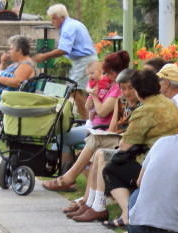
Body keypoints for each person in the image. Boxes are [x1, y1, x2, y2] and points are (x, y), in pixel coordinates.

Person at [72, 69, 178, 225]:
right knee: (103, 155)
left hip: (153, 165)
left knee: (109, 166)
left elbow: (125, 145)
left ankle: (125, 213)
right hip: (172, 161)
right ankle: (93, 204)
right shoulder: (170, 104)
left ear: (137, 90)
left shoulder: (145, 110)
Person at [44, 52, 132, 193]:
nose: (105, 75)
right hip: (94, 126)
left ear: (116, 73)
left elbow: (102, 112)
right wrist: (89, 102)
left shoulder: (118, 88)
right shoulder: (109, 83)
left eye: (108, 73)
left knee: (77, 140)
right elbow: (91, 105)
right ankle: (67, 178)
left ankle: (67, 180)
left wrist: (94, 97)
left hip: (102, 129)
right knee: (62, 135)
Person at [32, 4, 98, 119]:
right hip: (87, 59)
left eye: (54, 18)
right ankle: (89, 119)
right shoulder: (75, 24)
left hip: (83, 60)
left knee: (74, 90)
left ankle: (87, 120)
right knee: (79, 90)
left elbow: (63, 49)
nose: (52, 22)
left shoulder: (68, 28)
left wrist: (44, 56)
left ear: (62, 17)